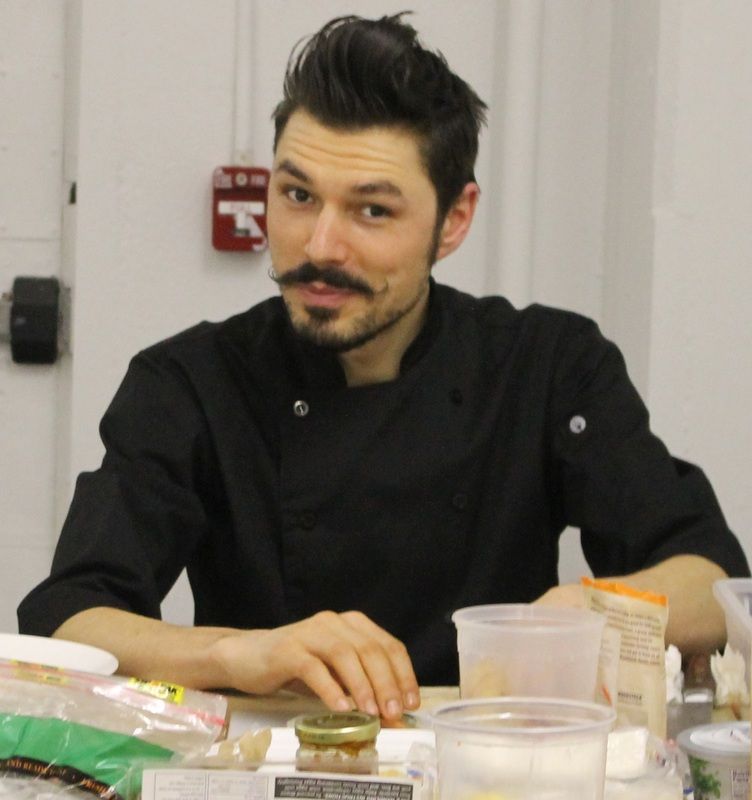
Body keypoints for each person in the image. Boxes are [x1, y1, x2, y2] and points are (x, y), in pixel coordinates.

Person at [18, 13, 749, 723]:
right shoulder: (193, 382)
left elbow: (711, 580)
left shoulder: (548, 365)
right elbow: (71, 621)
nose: (322, 245)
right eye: (298, 196)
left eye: (371, 211)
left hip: (490, 763)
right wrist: (242, 654)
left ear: (454, 220)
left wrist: (583, 613)